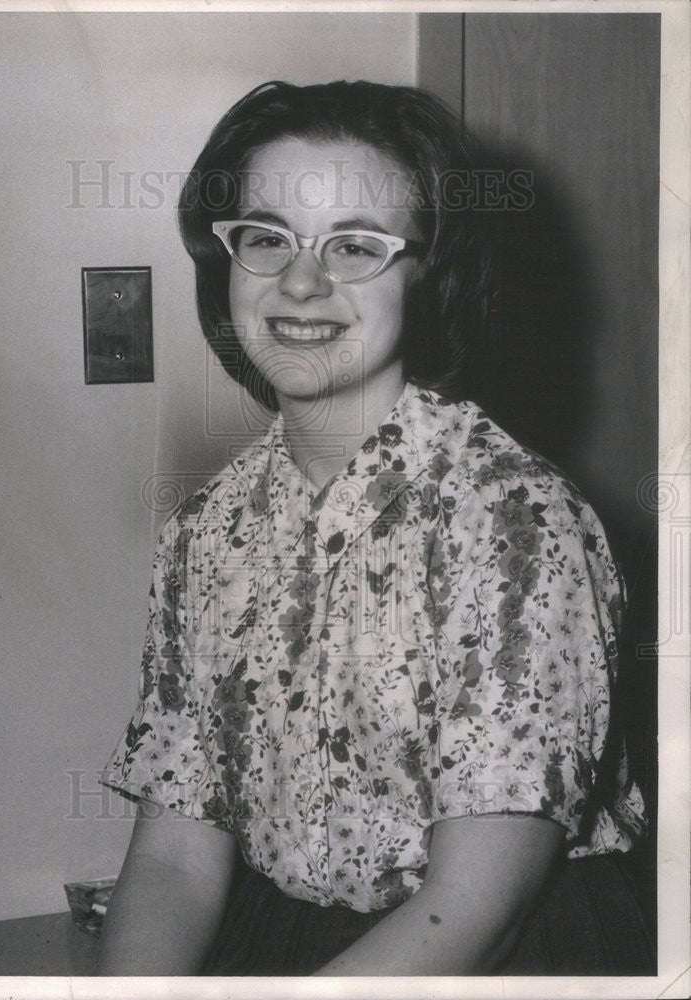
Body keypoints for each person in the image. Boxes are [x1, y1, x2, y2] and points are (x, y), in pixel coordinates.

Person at [97, 80, 653, 976]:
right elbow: (172, 859)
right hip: (282, 939)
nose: (301, 281)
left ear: (430, 273)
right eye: (266, 238)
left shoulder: (516, 523)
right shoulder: (206, 533)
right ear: (226, 261)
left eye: (355, 245)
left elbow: (479, 909)